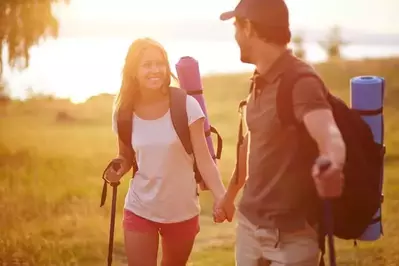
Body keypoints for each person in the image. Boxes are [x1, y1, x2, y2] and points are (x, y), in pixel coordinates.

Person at [215, 0, 346, 265]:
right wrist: (230, 195)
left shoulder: (300, 82)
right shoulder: (259, 78)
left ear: (249, 28)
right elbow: (253, 143)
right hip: (250, 228)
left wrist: (332, 164)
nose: (235, 36)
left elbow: (330, 135)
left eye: (236, 27)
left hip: (292, 237)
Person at [104, 37, 226, 266]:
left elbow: (204, 158)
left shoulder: (186, 105)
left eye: (159, 64)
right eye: (147, 65)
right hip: (140, 207)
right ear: (134, 72)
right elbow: (127, 156)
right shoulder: (124, 113)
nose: (155, 70)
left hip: (182, 210)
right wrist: (118, 168)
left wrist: (221, 196)